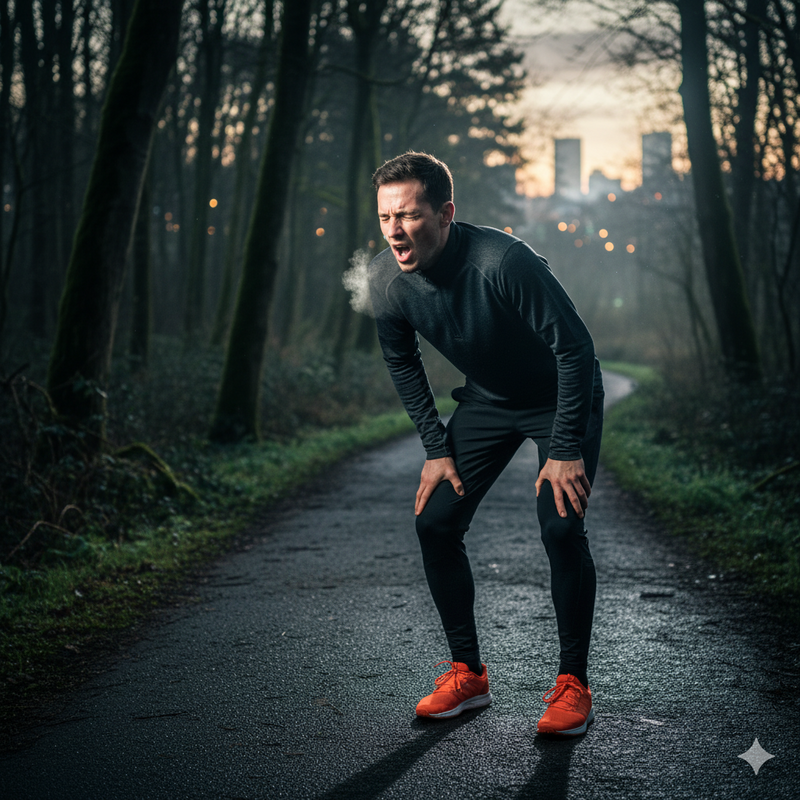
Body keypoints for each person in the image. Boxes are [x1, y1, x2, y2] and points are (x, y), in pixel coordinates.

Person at [368, 152, 605, 736]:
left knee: (560, 525)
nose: (396, 230)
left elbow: (575, 350)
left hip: (560, 396)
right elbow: (402, 363)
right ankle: (468, 675)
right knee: (436, 522)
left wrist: (565, 445)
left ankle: (573, 684)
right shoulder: (383, 280)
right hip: (488, 401)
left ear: (446, 213)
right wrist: (435, 447)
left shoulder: (504, 261)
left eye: (410, 214)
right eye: (385, 217)